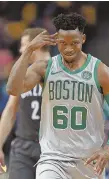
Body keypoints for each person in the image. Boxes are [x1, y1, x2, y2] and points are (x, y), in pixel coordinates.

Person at [6, 13, 109, 179]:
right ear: (56, 39)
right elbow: (13, 89)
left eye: (75, 43)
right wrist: (28, 50)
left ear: (84, 39)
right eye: (63, 43)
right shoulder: (44, 68)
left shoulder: (101, 71)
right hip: (53, 159)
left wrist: (108, 149)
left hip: (88, 161)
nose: (69, 48)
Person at [0, 27, 51, 179]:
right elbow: (10, 110)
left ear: (38, 44)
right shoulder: (23, 74)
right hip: (23, 146)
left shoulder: (59, 70)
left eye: (25, 44)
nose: (22, 49)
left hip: (51, 148)